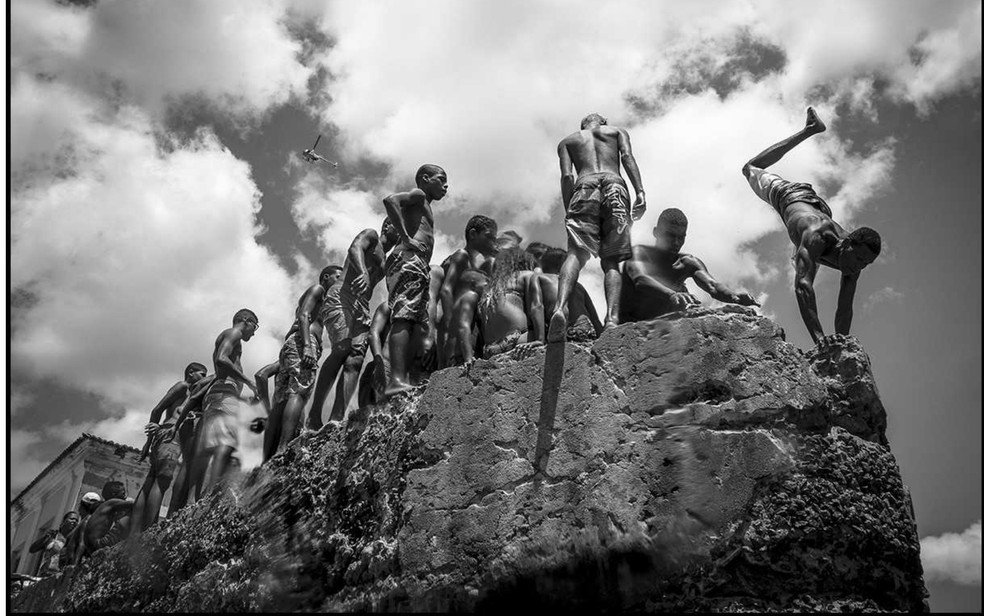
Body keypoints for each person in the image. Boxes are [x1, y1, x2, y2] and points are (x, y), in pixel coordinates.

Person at [742, 107, 881, 344]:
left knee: (806, 259)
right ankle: (810, 129)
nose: (858, 266)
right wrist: (819, 340)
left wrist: (842, 344)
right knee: (750, 168)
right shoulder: (815, 236)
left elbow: (844, 308)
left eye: (865, 264)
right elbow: (803, 287)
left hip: (819, 210)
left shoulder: (854, 262)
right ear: (847, 244)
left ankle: (804, 254)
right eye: (858, 258)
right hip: (789, 195)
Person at [549, 113, 646, 342]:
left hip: (584, 187)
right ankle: (611, 319)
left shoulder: (568, 141)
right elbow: (627, 156)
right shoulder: (616, 131)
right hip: (615, 187)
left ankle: (560, 309)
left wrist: (569, 209)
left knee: (575, 253)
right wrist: (640, 191)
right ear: (603, 123)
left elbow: (566, 176)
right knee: (611, 260)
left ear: (582, 125)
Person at [310, 224, 399, 426]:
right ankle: (314, 415)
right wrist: (363, 272)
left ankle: (336, 416)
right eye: (398, 225)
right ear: (387, 226)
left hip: (362, 306)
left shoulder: (387, 260)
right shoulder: (372, 236)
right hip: (343, 295)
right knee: (342, 348)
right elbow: (354, 248)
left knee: (356, 359)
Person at [619, 208, 759, 322]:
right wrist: (672, 294)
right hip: (630, 325)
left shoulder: (687, 263)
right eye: (670, 235)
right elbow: (640, 279)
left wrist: (734, 296)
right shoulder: (638, 253)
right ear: (656, 232)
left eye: (681, 237)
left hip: (665, 327)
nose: (676, 242)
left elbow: (712, 286)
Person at [382, 164, 447, 397]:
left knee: (413, 320)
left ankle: (404, 376)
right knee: (404, 317)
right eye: (441, 179)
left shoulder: (424, 205)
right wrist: (406, 238)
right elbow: (390, 200)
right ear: (426, 178)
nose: (446, 185)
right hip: (409, 259)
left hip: (416, 263)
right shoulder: (419, 195)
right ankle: (396, 380)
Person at [264, 267, 341, 460]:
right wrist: (307, 345)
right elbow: (304, 315)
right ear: (326, 277)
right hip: (303, 342)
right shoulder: (318, 290)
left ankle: (268, 456)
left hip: (293, 344)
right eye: (338, 277)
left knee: (282, 399)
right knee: (299, 392)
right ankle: (284, 447)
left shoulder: (325, 298)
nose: (340, 281)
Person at [130, 362, 209, 536]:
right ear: (191, 372)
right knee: (163, 479)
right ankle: (148, 530)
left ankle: (135, 532)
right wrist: (148, 442)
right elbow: (157, 410)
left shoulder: (193, 395)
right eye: (202, 374)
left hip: (166, 437)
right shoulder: (182, 387)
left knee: (151, 480)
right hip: (169, 435)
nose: (203, 378)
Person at [187, 309, 259, 497]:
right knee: (226, 444)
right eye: (255, 326)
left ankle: (195, 498)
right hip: (224, 393)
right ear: (246, 320)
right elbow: (221, 358)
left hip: (219, 394)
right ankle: (211, 493)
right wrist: (248, 381)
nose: (254, 332)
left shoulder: (229, 335)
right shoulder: (234, 333)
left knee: (209, 447)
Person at [439, 215, 499, 366]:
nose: (492, 241)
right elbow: (446, 290)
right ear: (473, 234)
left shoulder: (479, 267)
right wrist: (450, 328)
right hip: (458, 329)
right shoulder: (462, 255)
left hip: (471, 328)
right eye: (488, 237)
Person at [477, 247, 545, 358]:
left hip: (490, 349)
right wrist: (540, 339)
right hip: (518, 339)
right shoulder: (526, 275)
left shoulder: (489, 287)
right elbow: (536, 307)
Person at [538, 247, 603, 341]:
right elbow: (594, 318)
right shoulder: (578, 286)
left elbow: (537, 307)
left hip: (561, 331)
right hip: (585, 328)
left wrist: (539, 339)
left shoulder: (539, 279)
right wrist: (602, 337)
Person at [76, 483, 133, 563]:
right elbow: (135, 504)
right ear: (114, 494)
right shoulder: (111, 503)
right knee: (134, 513)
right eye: (123, 494)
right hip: (99, 545)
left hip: (93, 548)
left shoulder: (105, 508)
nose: (125, 497)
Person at [28, 511, 80, 577]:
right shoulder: (52, 536)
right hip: (44, 575)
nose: (74, 521)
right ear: (63, 522)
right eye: (72, 519)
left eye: (77, 521)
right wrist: (45, 538)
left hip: (61, 577)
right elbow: (32, 549)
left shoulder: (75, 542)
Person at [62, 492, 102, 568]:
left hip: (71, 564)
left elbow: (82, 544)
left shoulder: (87, 521)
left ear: (81, 507)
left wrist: (74, 566)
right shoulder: (86, 523)